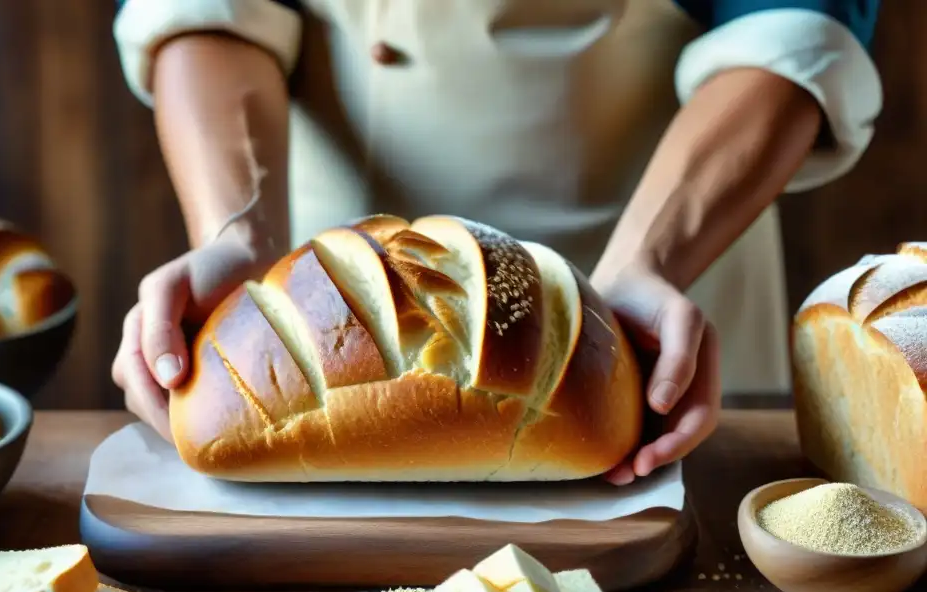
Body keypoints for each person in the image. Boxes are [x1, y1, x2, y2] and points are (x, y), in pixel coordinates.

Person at [110, 0, 881, 485]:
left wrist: (647, 262)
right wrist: (236, 228)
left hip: (656, 251)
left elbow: (790, 22)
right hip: (317, 282)